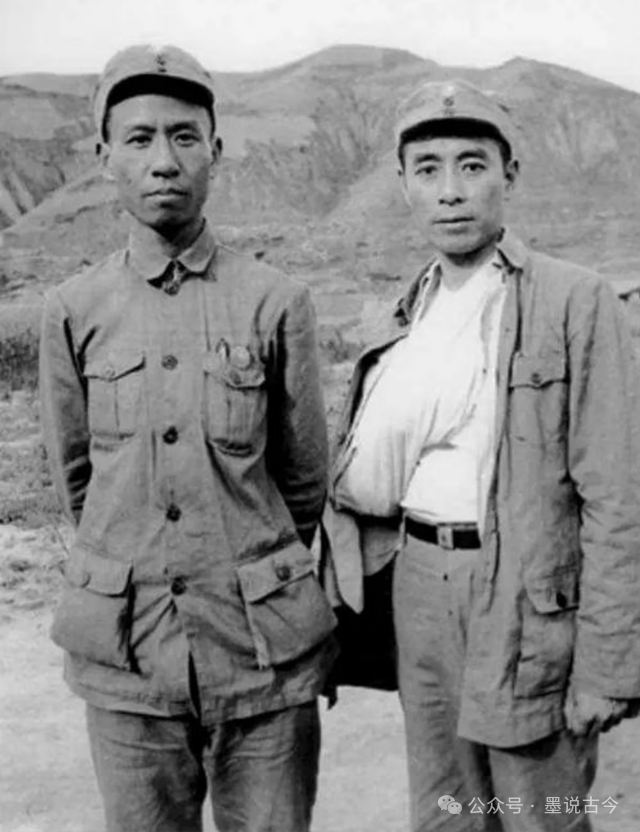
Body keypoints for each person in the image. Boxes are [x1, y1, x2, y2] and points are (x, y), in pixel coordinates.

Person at [322, 78, 640, 831]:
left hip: (525, 597)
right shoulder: (408, 310)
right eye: (428, 169)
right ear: (403, 184)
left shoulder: (575, 300)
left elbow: (618, 495)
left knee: (539, 810)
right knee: (447, 809)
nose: (451, 190)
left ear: (509, 174)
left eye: (472, 165)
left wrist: (607, 665)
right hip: (419, 584)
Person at [39, 43, 337, 832]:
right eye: (138, 139)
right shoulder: (73, 309)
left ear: (216, 150)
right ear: (104, 157)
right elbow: (78, 479)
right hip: (129, 659)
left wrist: (247, 569)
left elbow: (304, 480)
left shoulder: (276, 301)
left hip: (259, 658)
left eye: (183, 136)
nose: (163, 161)